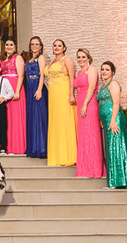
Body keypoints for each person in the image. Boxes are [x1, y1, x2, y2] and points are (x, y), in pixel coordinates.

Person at [97, 62, 127, 189]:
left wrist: (112, 121)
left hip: (115, 119)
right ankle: (114, 181)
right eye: (102, 69)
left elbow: (116, 102)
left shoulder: (114, 84)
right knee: (110, 149)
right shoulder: (103, 86)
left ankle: (120, 181)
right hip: (107, 121)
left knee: (116, 148)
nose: (104, 71)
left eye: (107, 69)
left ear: (113, 72)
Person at [73, 49, 105, 178]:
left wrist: (86, 104)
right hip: (80, 103)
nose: (81, 59)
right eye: (79, 57)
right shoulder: (79, 72)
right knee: (83, 135)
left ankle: (95, 169)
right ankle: (85, 168)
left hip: (89, 104)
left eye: (83, 57)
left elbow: (91, 87)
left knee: (91, 134)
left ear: (88, 58)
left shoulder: (91, 69)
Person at [45, 39, 77, 167]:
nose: (57, 48)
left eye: (59, 46)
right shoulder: (52, 62)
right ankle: (57, 156)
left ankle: (67, 155)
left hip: (63, 93)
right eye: (55, 45)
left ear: (64, 48)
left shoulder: (67, 60)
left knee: (64, 122)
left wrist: (71, 94)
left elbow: (72, 77)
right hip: (53, 96)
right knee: (56, 122)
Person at [23, 37, 49, 159]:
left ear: (40, 46)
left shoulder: (41, 58)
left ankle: (41, 147)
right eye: (32, 44)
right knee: (32, 117)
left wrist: (39, 90)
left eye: (37, 44)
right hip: (29, 88)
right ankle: (33, 147)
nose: (34, 46)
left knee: (39, 116)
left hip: (37, 87)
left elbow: (42, 74)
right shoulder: (29, 59)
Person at [0, 38, 26, 155]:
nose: (9, 47)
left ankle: (17, 147)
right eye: (7, 44)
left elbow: (20, 75)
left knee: (15, 118)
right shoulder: (1, 60)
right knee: (6, 119)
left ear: (15, 46)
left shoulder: (18, 58)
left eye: (11, 45)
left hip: (15, 87)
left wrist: (17, 91)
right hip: (4, 90)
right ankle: (6, 147)